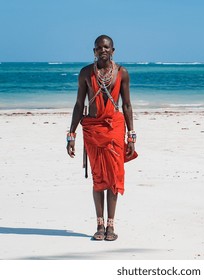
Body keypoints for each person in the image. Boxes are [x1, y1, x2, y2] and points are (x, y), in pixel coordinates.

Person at [66, 35, 136, 241]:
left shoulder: (122, 73)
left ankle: (111, 226)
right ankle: (99, 224)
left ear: (113, 50)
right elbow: (79, 105)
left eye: (106, 47)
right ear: (94, 51)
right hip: (93, 129)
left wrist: (131, 136)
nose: (103, 50)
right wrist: (71, 134)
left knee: (113, 176)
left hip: (114, 128)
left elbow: (127, 105)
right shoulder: (86, 73)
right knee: (98, 178)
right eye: (99, 48)